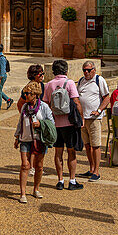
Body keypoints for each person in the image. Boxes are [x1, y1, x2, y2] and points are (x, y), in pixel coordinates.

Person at [43, 59, 84, 190]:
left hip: (55, 123)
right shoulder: (69, 83)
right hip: (69, 123)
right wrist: (81, 119)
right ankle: (72, 180)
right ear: (66, 70)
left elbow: (46, 104)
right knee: (71, 152)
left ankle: (60, 180)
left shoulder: (48, 85)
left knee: (58, 152)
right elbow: (76, 102)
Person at [13, 81, 55, 203]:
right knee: (25, 165)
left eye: (28, 93)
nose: (25, 96)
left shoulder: (44, 107)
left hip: (39, 139)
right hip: (25, 139)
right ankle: (23, 193)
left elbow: (51, 123)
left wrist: (41, 124)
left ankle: (36, 189)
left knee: (39, 166)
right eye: (25, 93)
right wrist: (17, 137)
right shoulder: (25, 107)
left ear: (35, 94)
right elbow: (20, 122)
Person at [76, 62, 109, 180]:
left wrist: (99, 110)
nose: (86, 72)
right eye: (84, 70)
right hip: (83, 118)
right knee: (87, 144)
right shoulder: (81, 81)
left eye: (89, 70)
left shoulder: (99, 80)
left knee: (95, 145)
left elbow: (106, 98)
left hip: (94, 118)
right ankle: (91, 168)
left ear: (94, 70)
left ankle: (97, 171)